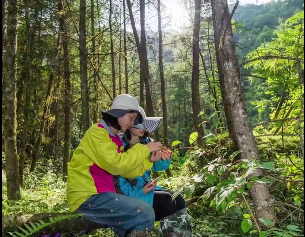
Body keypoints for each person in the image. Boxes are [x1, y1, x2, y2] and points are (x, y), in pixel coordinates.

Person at [66, 94, 170, 237]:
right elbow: (116, 165)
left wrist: (148, 161)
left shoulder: (115, 139)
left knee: (137, 220)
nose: (132, 123)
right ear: (119, 113)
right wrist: (145, 149)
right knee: (144, 213)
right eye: (131, 118)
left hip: (101, 196)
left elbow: (127, 171)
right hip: (87, 197)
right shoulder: (97, 132)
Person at [115, 107, 193, 237]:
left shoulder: (146, 142)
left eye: (144, 123)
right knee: (170, 201)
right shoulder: (119, 146)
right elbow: (118, 181)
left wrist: (164, 158)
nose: (142, 127)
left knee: (176, 198)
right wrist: (141, 191)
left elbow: (155, 165)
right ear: (128, 124)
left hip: (146, 190)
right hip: (130, 196)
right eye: (138, 122)